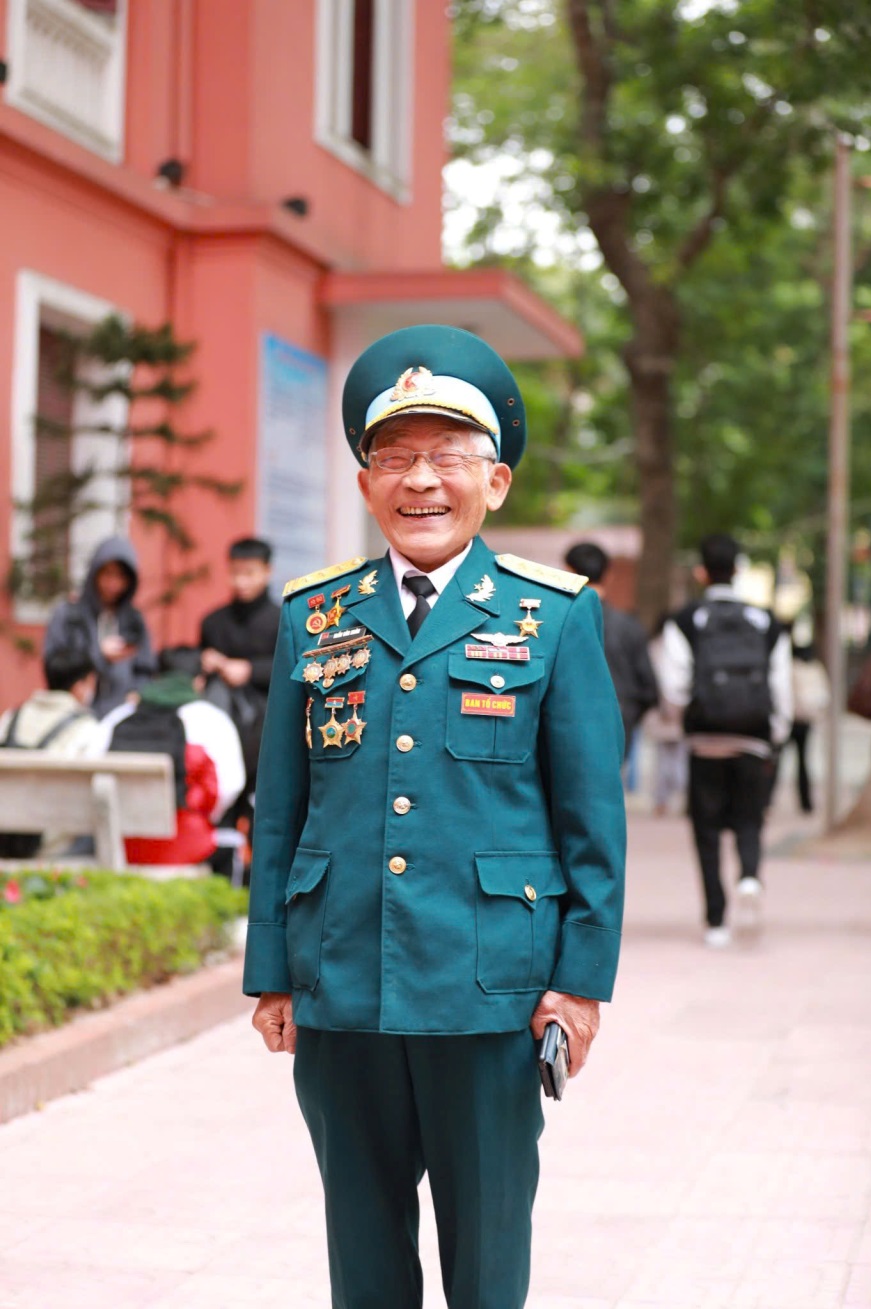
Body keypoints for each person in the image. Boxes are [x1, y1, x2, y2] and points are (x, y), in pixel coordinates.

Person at [244, 324, 626, 1309]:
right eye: (396, 457)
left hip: (489, 991)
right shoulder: (313, 617)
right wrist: (273, 968)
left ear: (494, 482)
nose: (421, 480)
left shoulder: (553, 616)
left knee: (487, 1265)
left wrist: (579, 984)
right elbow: (281, 809)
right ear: (365, 482)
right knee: (363, 1260)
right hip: (342, 984)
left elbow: (592, 822)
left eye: (448, 455)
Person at [659, 534, 793, 947]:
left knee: (707, 831)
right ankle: (749, 877)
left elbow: (674, 684)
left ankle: (716, 921)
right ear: (738, 569)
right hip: (753, 737)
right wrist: (775, 732)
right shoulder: (765, 621)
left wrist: (687, 719)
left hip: (705, 739)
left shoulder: (686, 619)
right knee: (750, 820)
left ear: (701, 572)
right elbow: (781, 684)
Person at [91, 646, 246, 866]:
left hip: (121, 843)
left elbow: (92, 765)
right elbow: (229, 786)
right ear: (199, 681)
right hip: (185, 844)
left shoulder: (119, 716)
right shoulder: (213, 720)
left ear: (157, 677)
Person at [199, 537, 281, 820]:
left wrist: (250, 670)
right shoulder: (213, 622)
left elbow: (297, 669)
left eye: (250, 573)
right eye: (235, 573)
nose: (241, 581)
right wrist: (204, 663)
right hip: (221, 723)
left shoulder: (282, 621)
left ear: (267, 571)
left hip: (266, 727)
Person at [0, 649, 101, 855]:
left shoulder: (11, 717)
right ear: (81, 685)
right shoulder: (88, 728)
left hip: (5, 829)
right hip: (52, 840)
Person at [564, 541, 658, 761]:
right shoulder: (629, 626)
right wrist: (628, 716)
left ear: (569, 572)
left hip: (569, 728)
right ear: (608, 575)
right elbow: (649, 690)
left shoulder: (557, 623)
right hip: (619, 725)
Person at [43, 535, 156, 718]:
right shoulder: (69, 614)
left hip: (120, 715)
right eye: (107, 573)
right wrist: (99, 655)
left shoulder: (134, 620)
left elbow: (146, 668)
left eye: (120, 576)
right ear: (94, 573)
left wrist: (137, 693)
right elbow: (55, 667)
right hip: (72, 715)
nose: (113, 584)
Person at [644, 613, 688, 816]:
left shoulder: (653, 647)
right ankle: (681, 799)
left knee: (663, 761)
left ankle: (661, 801)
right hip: (678, 712)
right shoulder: (680, 647)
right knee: (679, 760)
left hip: (661, 712)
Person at [787, 634, 830, 813]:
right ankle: (806, 803)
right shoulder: (815, 668)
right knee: (803, 762)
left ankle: (766, 800)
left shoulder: (790, 667)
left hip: (790, 720)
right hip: (805, 721)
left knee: (776, 762)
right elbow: (824, 695)